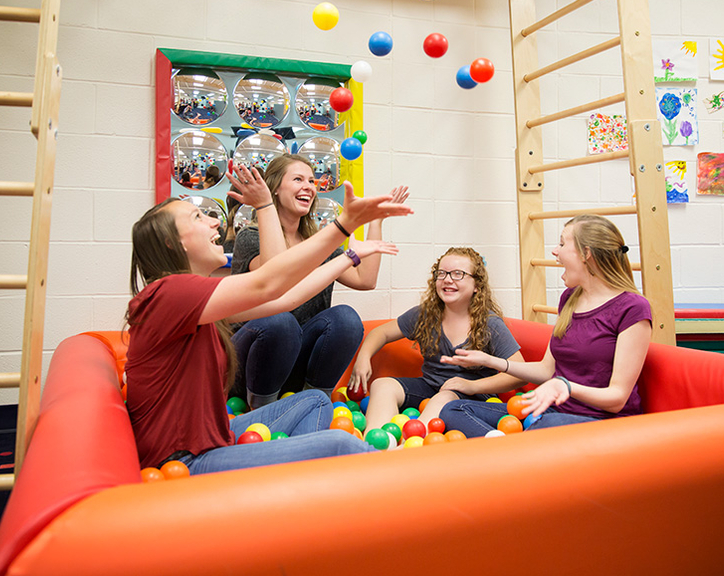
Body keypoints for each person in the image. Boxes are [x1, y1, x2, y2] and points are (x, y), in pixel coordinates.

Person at [125, 163, 411, 473]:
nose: (214, 222)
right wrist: (344, 225)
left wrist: (351, 255)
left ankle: (293, 481)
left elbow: (287, 297)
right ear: (173, 243)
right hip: (183, 461)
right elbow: (270, 283)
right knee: (341, 446)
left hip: (215, 439)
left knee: (314, 401)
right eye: (197, 217)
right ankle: (398, 482)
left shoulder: (193, 299)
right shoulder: (170, 293)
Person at [439, 215, 652, 437]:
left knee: (545, 426)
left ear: (586, 254)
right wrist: (491, 361)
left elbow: (617, 398)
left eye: (562, 243)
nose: (555, 251)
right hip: (552, 414)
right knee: (454, 409)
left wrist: (564, 387)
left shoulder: (632, 307)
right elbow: (546, 370)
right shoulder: (570, 298)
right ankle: (513, 453)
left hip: (601, 423)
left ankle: (513, 453)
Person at [230, 153, 409, 408]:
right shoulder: (251, 237)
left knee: (346, 318)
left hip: (294, 363)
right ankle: (262, 409)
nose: (308, 187)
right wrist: (263, 206)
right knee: (282, 322)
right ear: (275, 190)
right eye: (298, 179)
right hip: (250, 366)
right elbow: (276, 276)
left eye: (312, 181)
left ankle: (314, 401)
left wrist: (375, 220)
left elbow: (365, 280)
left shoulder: (317, 243)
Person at [349, 247, 523, 434]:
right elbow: (380, 333)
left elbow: (518, 373)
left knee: (443, 398)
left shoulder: (490, 324)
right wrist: (363, 358)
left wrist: (471, 386)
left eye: (458, 274)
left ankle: (408, 449)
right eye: (442, 273)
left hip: (472, 398)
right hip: (431, 388)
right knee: (382, 385)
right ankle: (375, 445)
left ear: (477, 286)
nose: (448, 279)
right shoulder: (426, 315)